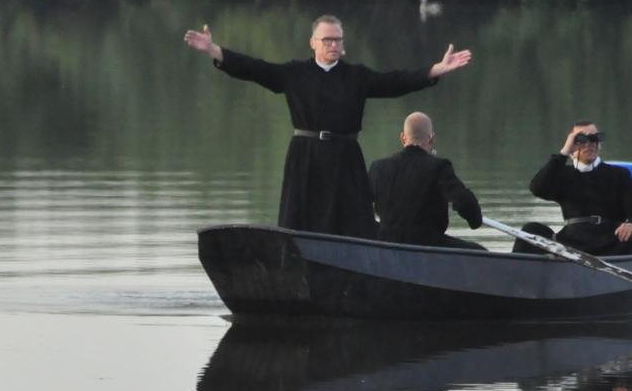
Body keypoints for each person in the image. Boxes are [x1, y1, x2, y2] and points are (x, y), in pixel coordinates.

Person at [182, 16, 473, 238]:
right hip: (305, 155)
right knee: (299, 221)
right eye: (327, 40)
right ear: (313, 42)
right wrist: (214, 51)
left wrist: (435, 70)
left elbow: (395, 82)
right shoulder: (295, 73)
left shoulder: (356, 76)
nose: (334, 45)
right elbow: (255, 69)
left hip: (345, 156)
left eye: (338, 40)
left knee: (354, 221)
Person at [514, 120, 632, 255]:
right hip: (571, 244)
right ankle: (515, 268)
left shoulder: (618, 174)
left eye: (594, 139)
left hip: (610, 241)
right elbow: (538, 188)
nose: (589, 144)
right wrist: (563, 154)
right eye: (581, 140)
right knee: (531, 229)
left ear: (599, 144)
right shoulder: (563, 175)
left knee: (630, 238)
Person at [367, 112, 483, 249]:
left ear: (403, 138)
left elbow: (361, 207)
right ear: (432, 139)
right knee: (479, 251)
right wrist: (475, 220)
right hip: (427, 245)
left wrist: (381, 230)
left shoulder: (378, 167)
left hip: (385, 245)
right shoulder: (439, 167)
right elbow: (463, 201)